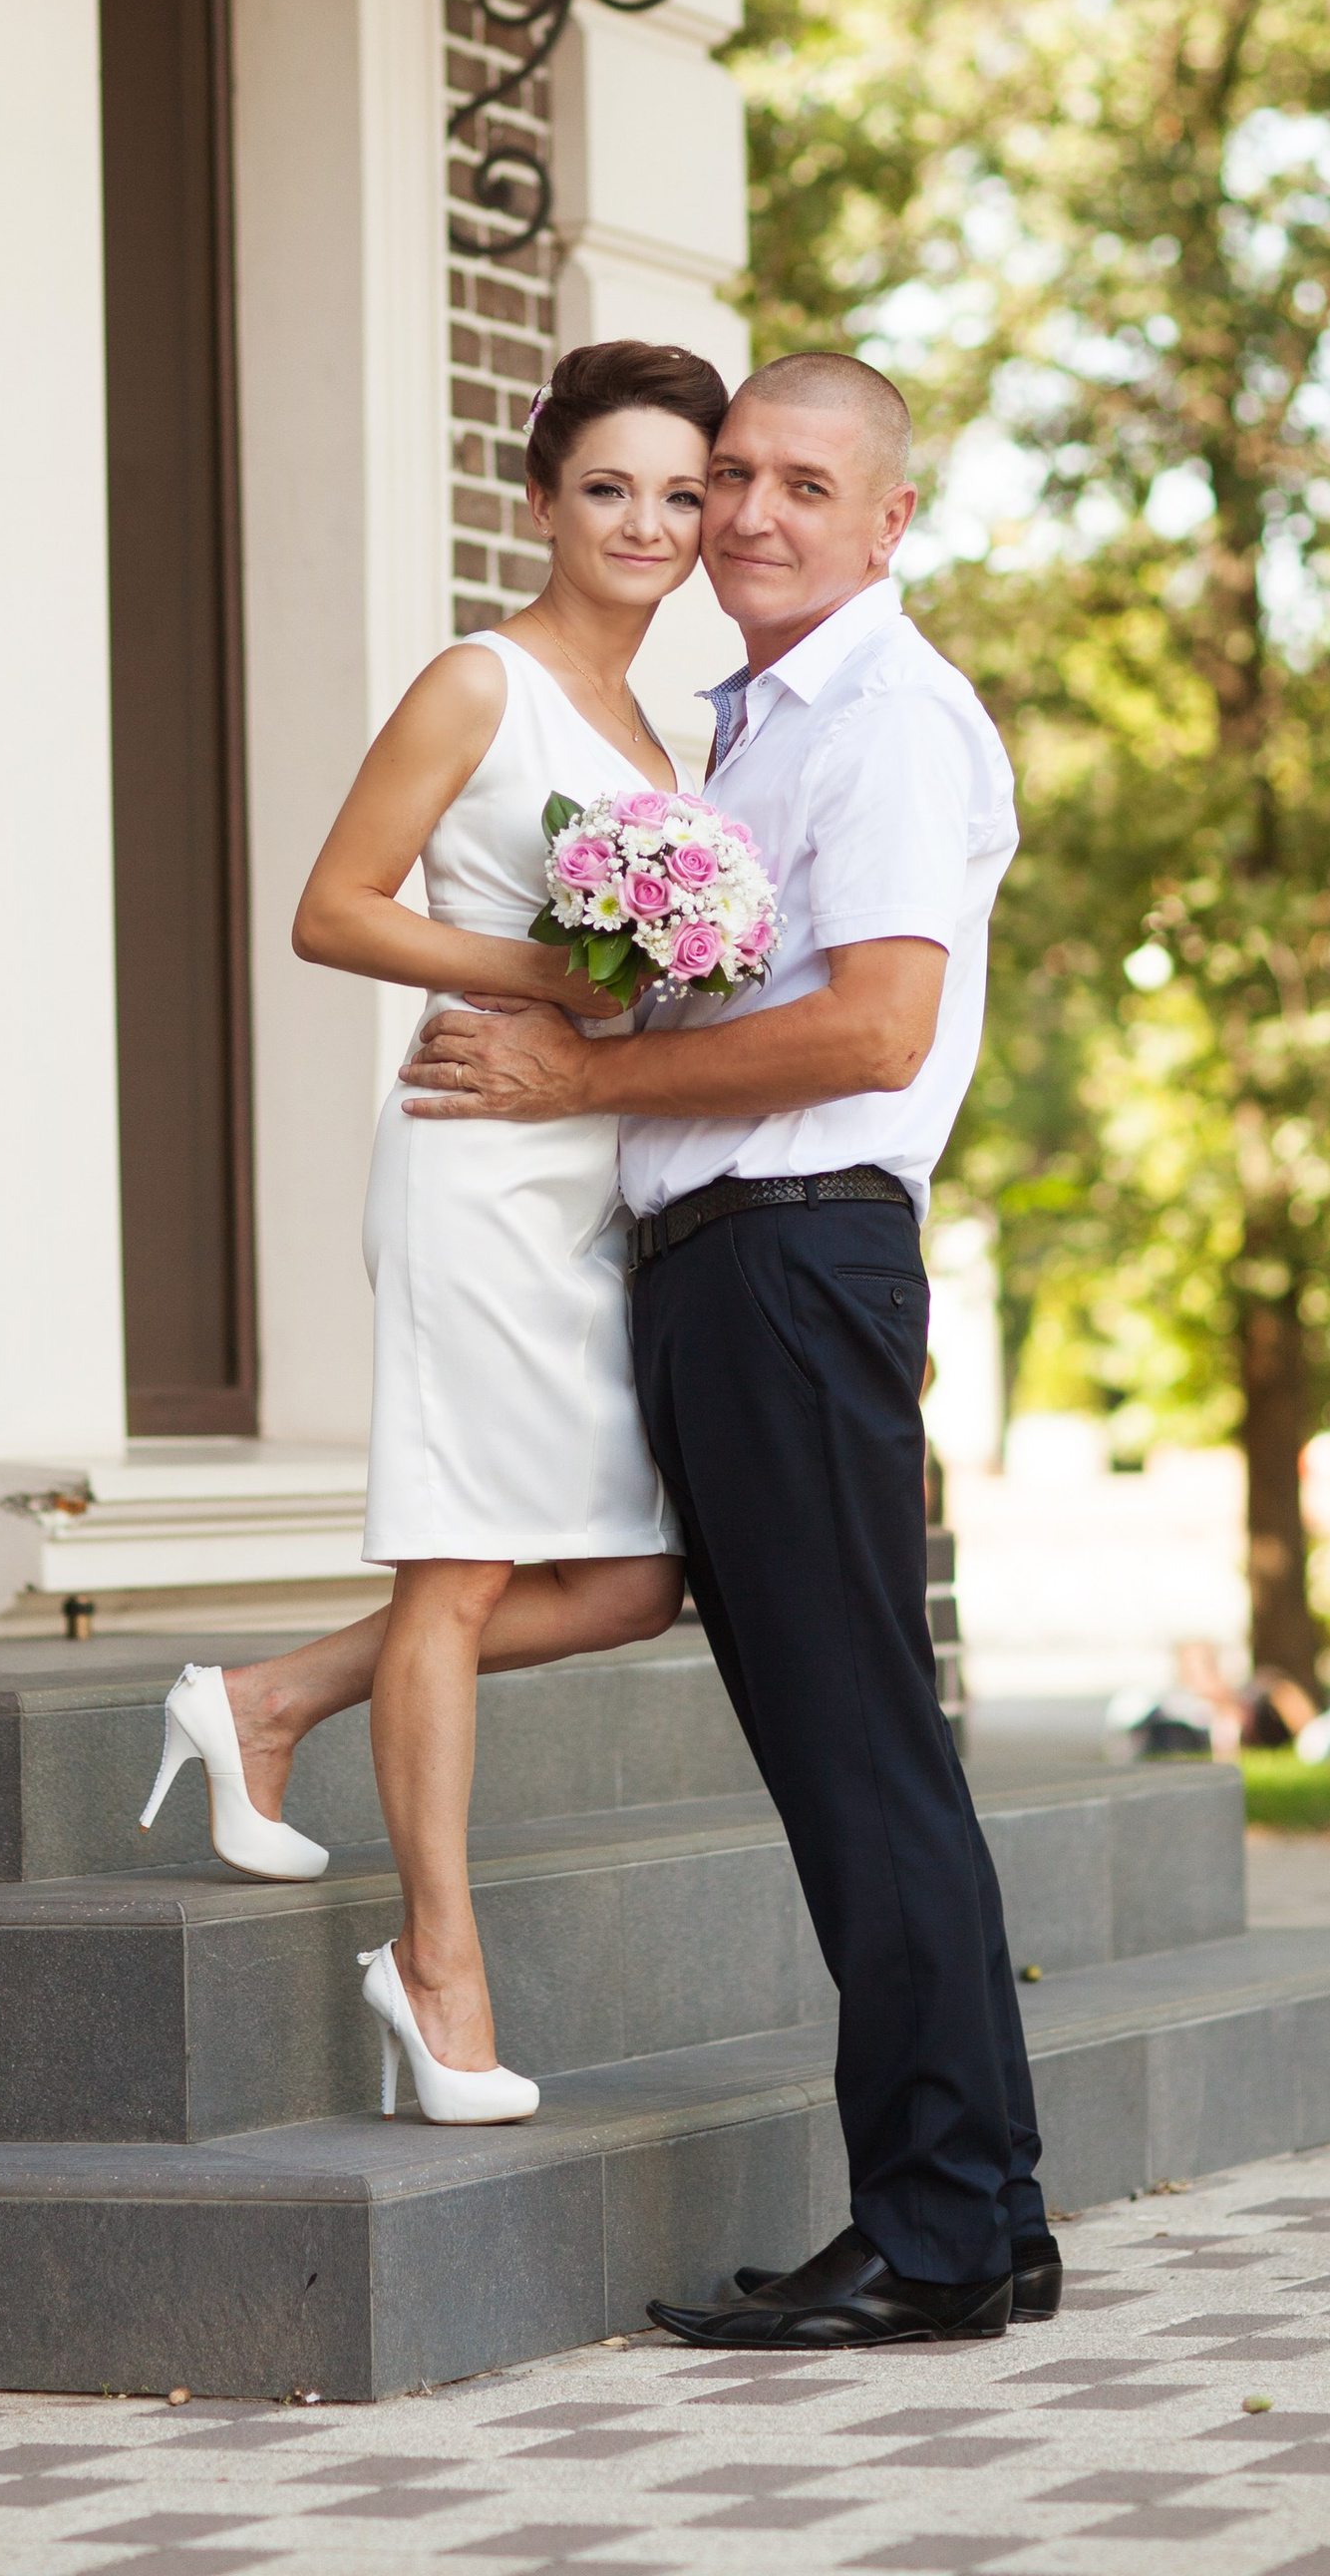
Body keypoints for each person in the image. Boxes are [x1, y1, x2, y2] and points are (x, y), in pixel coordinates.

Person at [400, 351, 1054, 2348]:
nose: (749, 516)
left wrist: (573, 1070)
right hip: (727, 1265)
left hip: (790, 1261)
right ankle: (981, 2218)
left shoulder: (879, 723)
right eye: (729, 479)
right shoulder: (746, 727)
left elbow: (866, 1031)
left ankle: (937, 2234)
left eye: (796, 484)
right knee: (848, 1754)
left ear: (885, 521)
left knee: (858, 1759)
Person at [136, 338, 727, 2126]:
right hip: (475, 1156)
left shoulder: (667, 728)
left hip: (589, 1171)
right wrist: (539, 973)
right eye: (609, 487)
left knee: (634, 1576)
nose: (649, 523)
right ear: (537, 496)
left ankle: (261, 1701)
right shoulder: (482, 682)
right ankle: (440, 1968)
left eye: (682, 494)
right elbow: (331, 907)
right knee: (458, 1574)